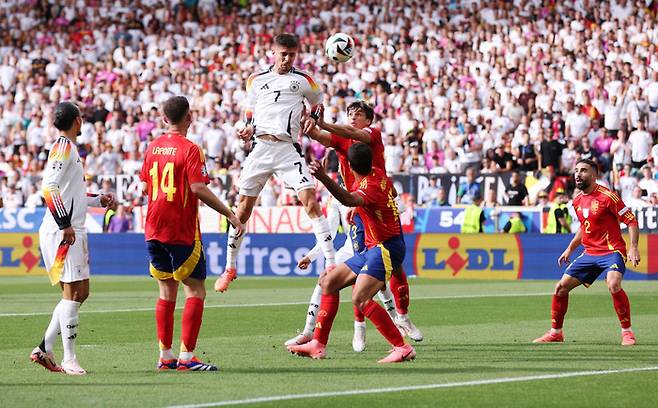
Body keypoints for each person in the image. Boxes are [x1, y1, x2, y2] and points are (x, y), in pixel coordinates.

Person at [295, 101, 422, 351]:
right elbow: (318, 134)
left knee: (392, 268)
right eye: (350, 113)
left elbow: (349, 133)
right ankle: (357, 328)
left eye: (359, 114)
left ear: (369, 120)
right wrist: (305, 120)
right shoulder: (342, 140)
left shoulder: (371, 135)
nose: (353, 117)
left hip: (368, 201)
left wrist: (322, 123)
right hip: (357, 206)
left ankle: (402, 317)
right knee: (353, 273)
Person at [216, 33, 335, 293]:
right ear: (273, 52)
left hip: (287, 149)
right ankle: (230, 268)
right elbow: (250, 112)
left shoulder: (304, 80)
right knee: (242, 211)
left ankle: (331, 263)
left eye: (292, 55)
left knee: (310, 201)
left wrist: (313, 119)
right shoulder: (256, 80)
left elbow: (318, 104)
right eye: (283, 54)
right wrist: (248, 128)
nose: (287, 59)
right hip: (260, 149)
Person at [139, 96, 242, 371]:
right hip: (181, 230)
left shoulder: (152, 147)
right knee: (195, 291)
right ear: (190, 117)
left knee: (165, 291)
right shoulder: (191, 149)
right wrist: (230, 213)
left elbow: (146, 186)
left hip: (153, 228)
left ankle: (165, 355)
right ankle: (187, 358)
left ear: (164, 119)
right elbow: (198, 188)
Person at [31, 101, 116, 375]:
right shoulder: (63, 147)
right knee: (73, 293)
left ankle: (45, 347)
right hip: (64, 230)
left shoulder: (68, 149)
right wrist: (64, 223)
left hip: (69, 227)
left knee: (80, 292)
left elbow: (72, 193)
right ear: (77, 121)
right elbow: (49, 186)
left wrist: (97, 200)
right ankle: (68, 359)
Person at [533, 158, 640, 345]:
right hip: (590, 253)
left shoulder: (608, 197)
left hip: (611, 251)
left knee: (613, 284)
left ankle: (627, 332)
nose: (578, 174)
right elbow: (584, 228)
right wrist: (570, 249)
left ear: (594, 174)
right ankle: (556, 332)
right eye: (576, 171)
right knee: (560, 287)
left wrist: (633, 246)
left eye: (583, 170)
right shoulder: (577, 201)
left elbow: (631, 221)